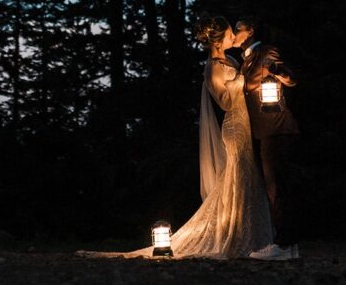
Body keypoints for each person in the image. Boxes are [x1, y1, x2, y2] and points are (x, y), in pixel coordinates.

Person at [78, 14, 273, 260]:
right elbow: (224, 101)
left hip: (247, 123)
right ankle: (235, 237)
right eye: (228, 34)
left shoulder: (231, 60)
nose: (233, 36)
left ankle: (251, 235)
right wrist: (242, 80)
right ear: (218, 40)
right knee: (238, 176)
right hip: (234, 128)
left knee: (248, 177)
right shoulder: (212, 67)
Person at [232, 15, 300, 260]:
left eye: (237, 29)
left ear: (249, 31)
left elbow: (291, 78)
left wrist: (278, 71)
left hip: (278, 128)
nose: (234, 32)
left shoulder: (267, 52)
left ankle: (283, 245)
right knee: (275, 187)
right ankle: (288, 245)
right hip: (265, 131)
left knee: (278, 187)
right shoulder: (246, 60)